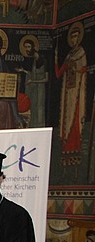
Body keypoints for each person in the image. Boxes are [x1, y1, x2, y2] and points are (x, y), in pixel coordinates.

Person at [55, 22, 87, 164]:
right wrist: (55, 60)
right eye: (72, 37)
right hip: (67, 93)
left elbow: (83, 70)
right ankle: (65, 151)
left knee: (74, 118)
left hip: (76, 93)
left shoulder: (81, 53)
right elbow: (58, 74)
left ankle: (75, 148)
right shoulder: (69, 55)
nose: (74, 40)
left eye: (76, 37)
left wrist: (74, 66)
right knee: (65, 120)